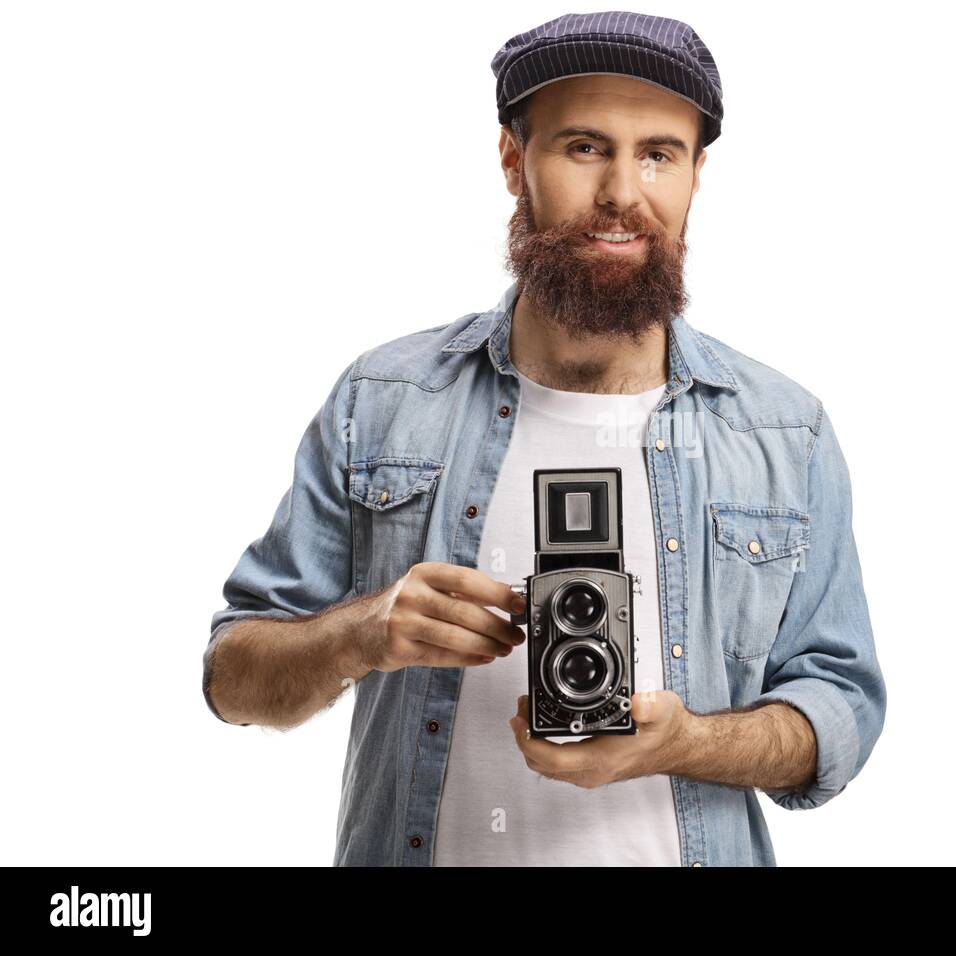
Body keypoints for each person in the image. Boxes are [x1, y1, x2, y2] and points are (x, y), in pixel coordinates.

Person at [204, 11, 886, 867]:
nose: (623, 194)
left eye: (659, 154)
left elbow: (842, 709)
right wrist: (362, 632)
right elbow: (233, 679)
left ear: (697, 174)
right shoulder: (384, 402)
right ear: (510, 158)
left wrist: (681, 743)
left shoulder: (784, 432)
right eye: (584, 147)